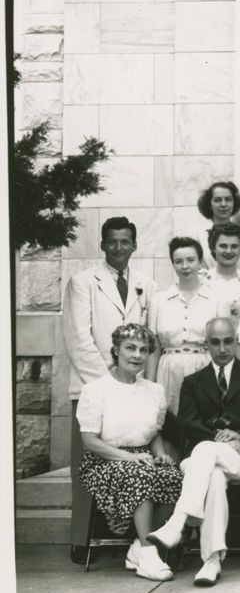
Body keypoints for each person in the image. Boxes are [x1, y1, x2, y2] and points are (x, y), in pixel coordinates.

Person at [146, 318, 240, 586]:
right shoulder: (193, 382)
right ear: (206, 345)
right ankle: (211, 560)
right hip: (207, 462)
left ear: (236, 341)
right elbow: (187, 424)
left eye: (228, 341)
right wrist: (220, 440)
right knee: (213, 474)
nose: (223, 348)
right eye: (215, 342)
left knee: (204, 451)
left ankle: (178, 522)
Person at [64, 216, 157, 562]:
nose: (119, 248)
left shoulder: (146, 284)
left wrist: (131, 382)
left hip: (133, 387)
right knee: (86, 461)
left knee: (134, 454)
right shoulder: (82, 282)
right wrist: (107, 384)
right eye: (112, 242)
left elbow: (146, 339)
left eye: (125, 242)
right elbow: (79, 339)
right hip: (93, 386)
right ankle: (81, 539)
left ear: (135, 245)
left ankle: (135, 533)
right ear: (102, 245)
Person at [76, 323, 183, 581]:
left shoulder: (154, 391)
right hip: (103, 461)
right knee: (140, 475)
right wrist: (131, 457)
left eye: (143, 350)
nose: (137, 355)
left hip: (143, 457)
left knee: (176, 477)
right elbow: (89, 441)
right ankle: (148, 553)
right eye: (130, 348)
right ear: (116, 350)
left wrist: (160, 454)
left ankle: (139, 545)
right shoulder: (95, 390)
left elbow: (153, 433)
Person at [144, 237, 218, 414]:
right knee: (169, 424)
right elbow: (154, 349)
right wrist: (149, 386)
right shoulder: (158, 301)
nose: (185, 266)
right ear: (173, 264)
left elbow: (223, 345)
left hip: (204, 368)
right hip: (169, 370)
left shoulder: (216, 299)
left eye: (191, 260)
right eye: (179, 261)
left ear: (200, 262)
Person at [195, 181, 240, 268]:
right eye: (217, 200)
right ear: (209, 204)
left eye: (228, 199)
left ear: (234, 203)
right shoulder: (198, 235)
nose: (223, 204)